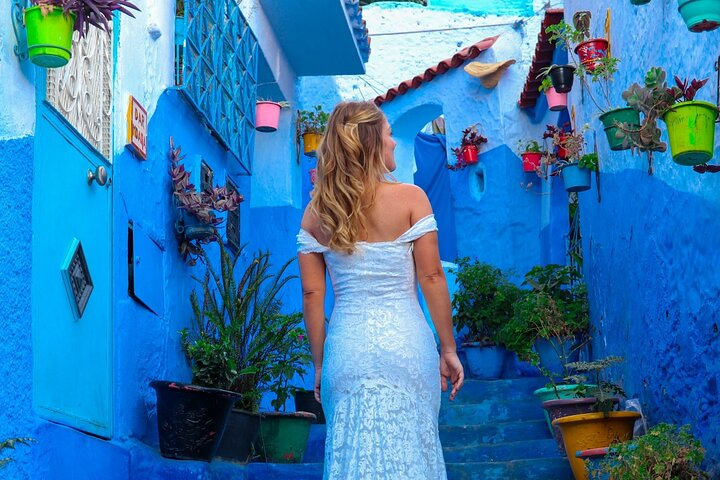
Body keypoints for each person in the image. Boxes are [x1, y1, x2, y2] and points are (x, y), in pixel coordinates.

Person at [297, 101, 464, 479]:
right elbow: (433, 277)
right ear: (372, 142)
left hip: (346, 352)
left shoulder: (315, 213)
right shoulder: (411, 198)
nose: (394, 143)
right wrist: (448, 348)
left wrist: (320, 364)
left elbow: (312, 296)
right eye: (389, 134)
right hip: (407, 348)